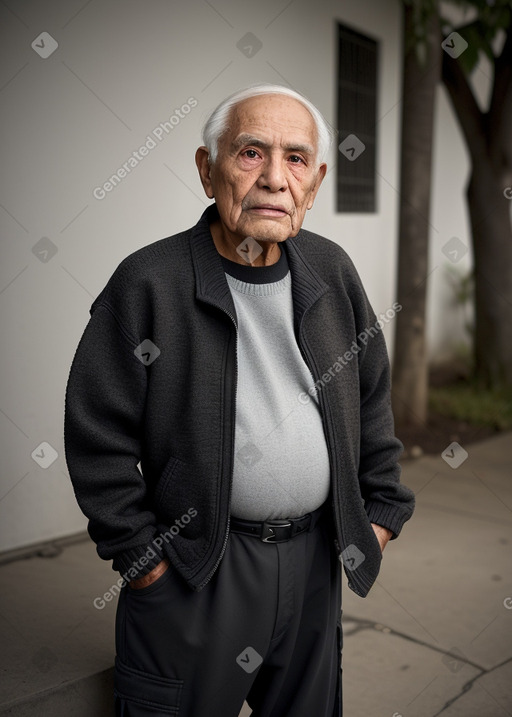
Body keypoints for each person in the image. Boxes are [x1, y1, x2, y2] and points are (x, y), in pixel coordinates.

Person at [64, 83, 415, 716]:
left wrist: (381, 514)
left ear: (317, 180)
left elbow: (371, 400)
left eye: (297, 159)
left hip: (315, 563)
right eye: (251, 153)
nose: (275, 179)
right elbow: (97, 439)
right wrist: (145, 562)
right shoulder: (148, 282)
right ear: (207, 169)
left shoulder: (331, 271)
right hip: (199, 568)